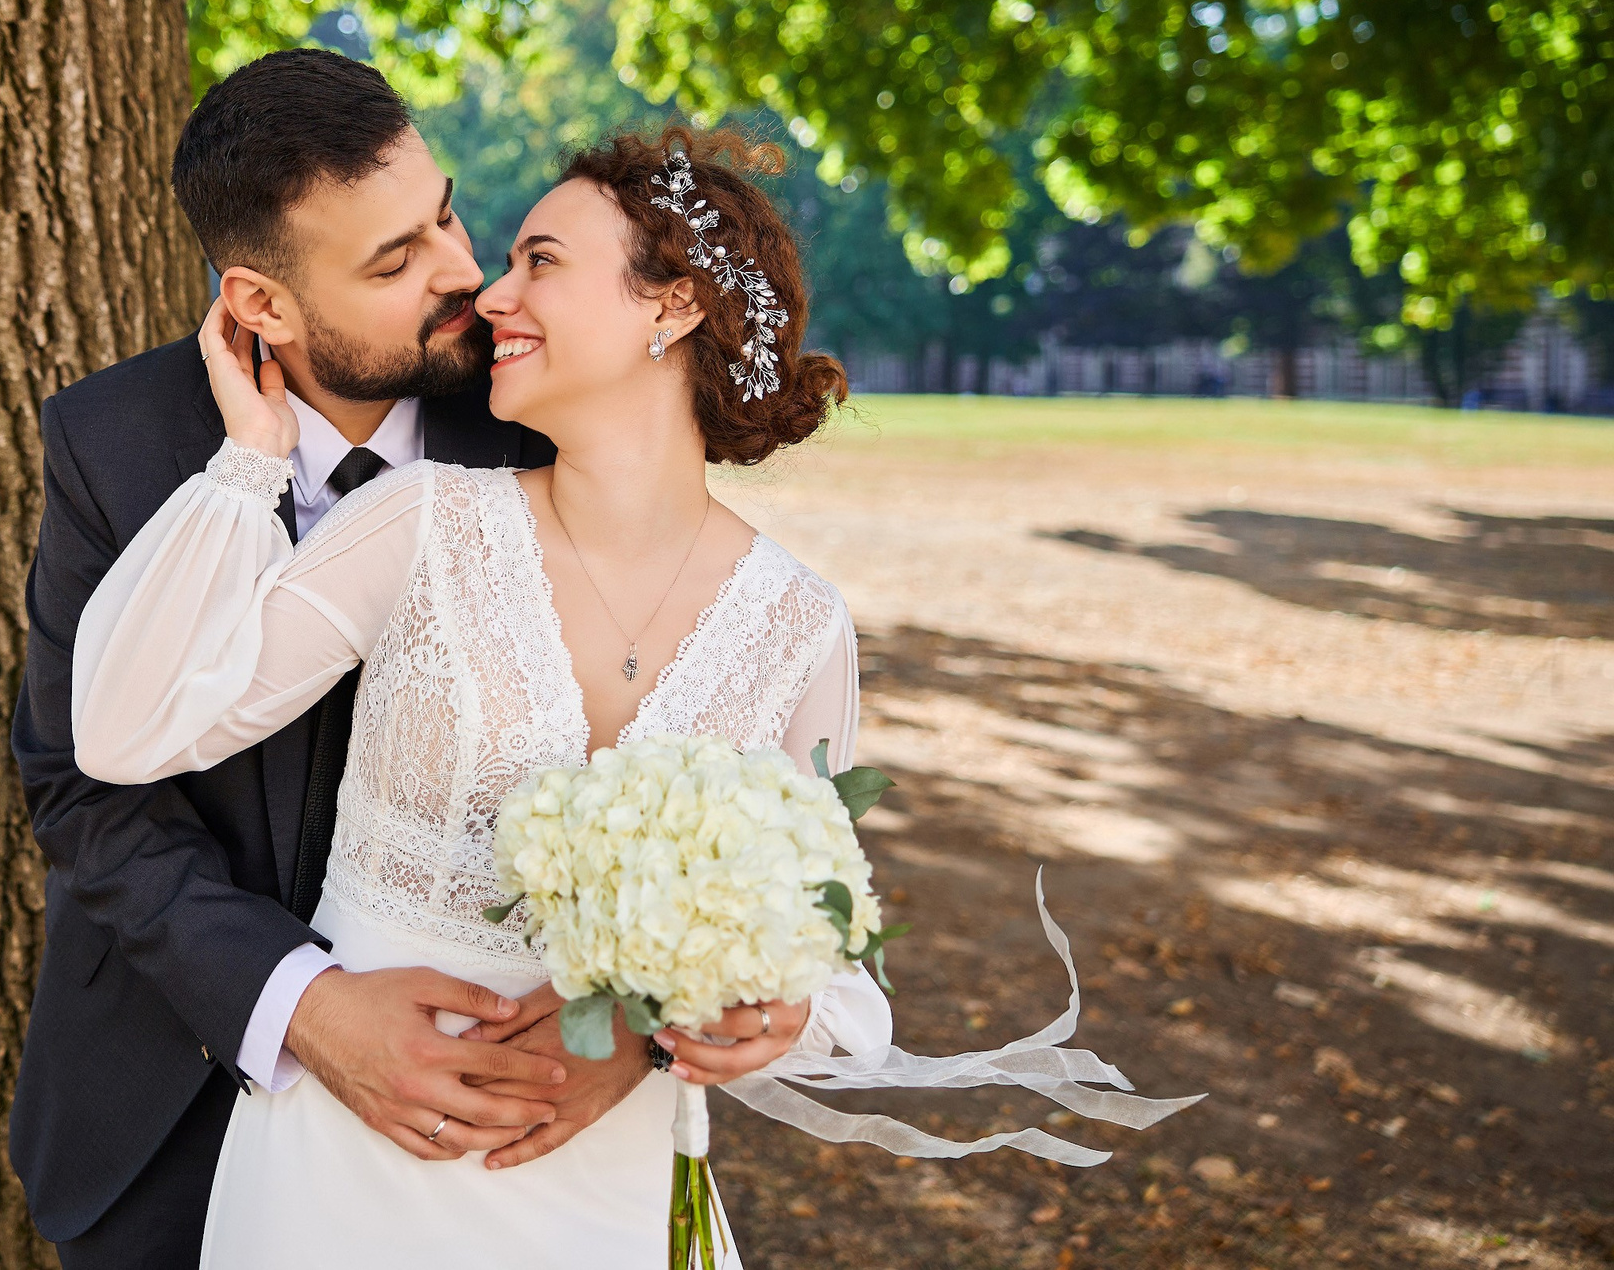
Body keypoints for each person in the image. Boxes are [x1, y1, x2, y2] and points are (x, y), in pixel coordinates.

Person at [67, 126, 1193, 1266]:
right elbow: (120, 738)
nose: (490, 295)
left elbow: (829, 956)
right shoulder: (421, 525)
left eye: (539, 261)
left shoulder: (795, 624)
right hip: (347, 1163)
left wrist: (750, 1017)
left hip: (604, 1182)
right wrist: (251, 457)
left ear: (674, 306)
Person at [11, 49, 579, 1266]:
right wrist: (301, 1006)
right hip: (173, 1101)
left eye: (444, 217)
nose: (462, 275)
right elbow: (80, 788)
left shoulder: (544, 411)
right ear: (258, 303)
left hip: (485, 1107)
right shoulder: (112, 441)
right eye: (393, 262)